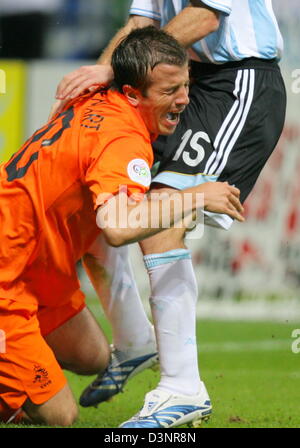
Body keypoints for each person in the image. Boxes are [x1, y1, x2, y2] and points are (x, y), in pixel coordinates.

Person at [52, 0, 286, 429]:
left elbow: (206, 16)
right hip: (178, 77)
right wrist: (99, 87)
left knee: (160, 216)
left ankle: (182, 389)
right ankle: (133, 339)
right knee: (97, 205)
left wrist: (119, 70)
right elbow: (142, 23)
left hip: (237, 82)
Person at [0, 26, 244, 427]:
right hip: (7, 277)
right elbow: (116, 227)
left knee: (94, 357)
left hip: (38, 269)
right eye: (169, 92)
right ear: (133, 93)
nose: (184, 100)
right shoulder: (123, 140)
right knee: (61, 416)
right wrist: (198, 195)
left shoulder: (96, 95)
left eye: (186, 85)